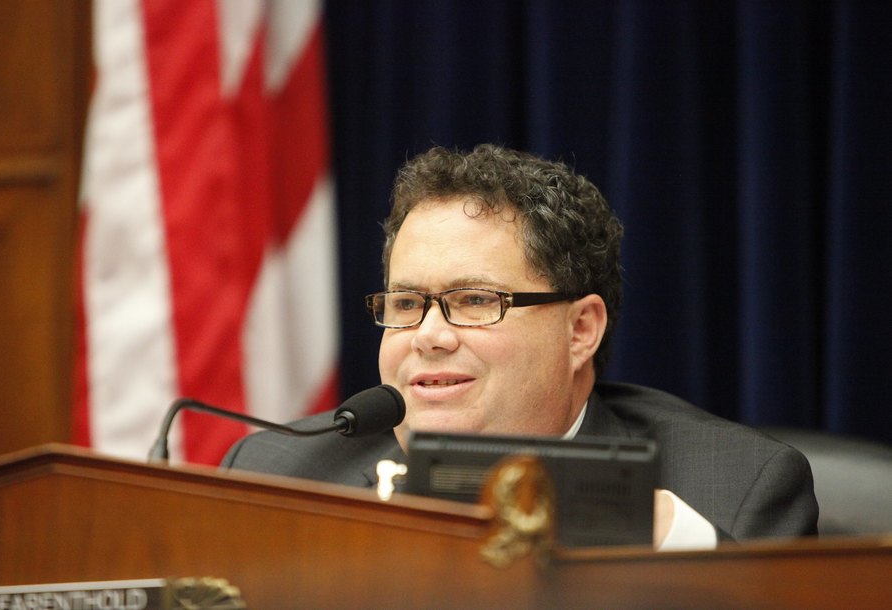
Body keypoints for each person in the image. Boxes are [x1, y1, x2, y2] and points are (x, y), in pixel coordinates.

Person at [222, 144, 818, 546]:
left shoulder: (732, 493)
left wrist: (677, 546)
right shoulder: (277, 477)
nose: (428, 336)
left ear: (580, 330)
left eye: (476, 301)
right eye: (406, 304)